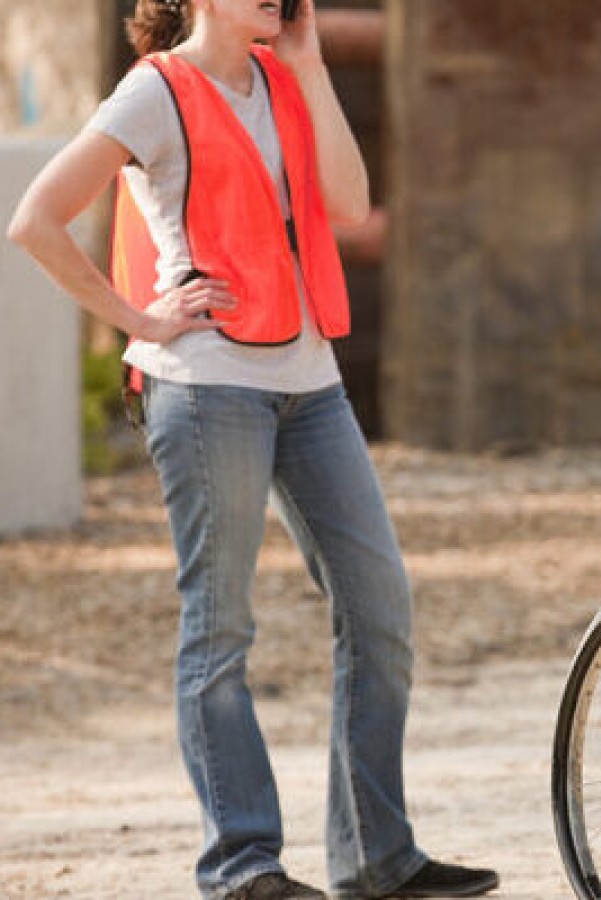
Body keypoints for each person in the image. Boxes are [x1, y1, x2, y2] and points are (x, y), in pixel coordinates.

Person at [6, 2, 496, 898]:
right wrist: (142, 321)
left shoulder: (283, 78)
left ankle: (376, 858)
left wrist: (308, 63)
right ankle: (243, 868)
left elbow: (350, 205)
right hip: (203, 388)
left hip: (310, 384)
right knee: (221, 629)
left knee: (379, 607)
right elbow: (34, 220)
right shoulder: (154, 92)